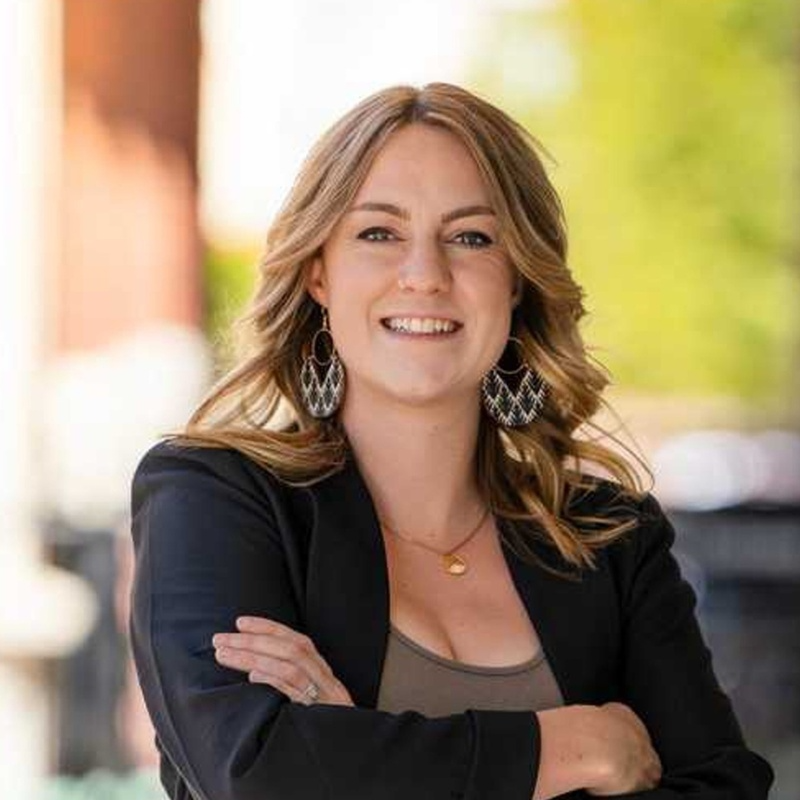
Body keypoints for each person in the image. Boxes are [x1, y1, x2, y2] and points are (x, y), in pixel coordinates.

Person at [128, 82, 774, 800]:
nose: (425, 276)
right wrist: (569, 749)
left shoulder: (609, 538)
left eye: (471, 237)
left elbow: (728, 787)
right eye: (380, 233)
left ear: (518, 280)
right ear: (318, 273)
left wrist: (360, 754)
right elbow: (258, 773)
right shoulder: (215, 498)